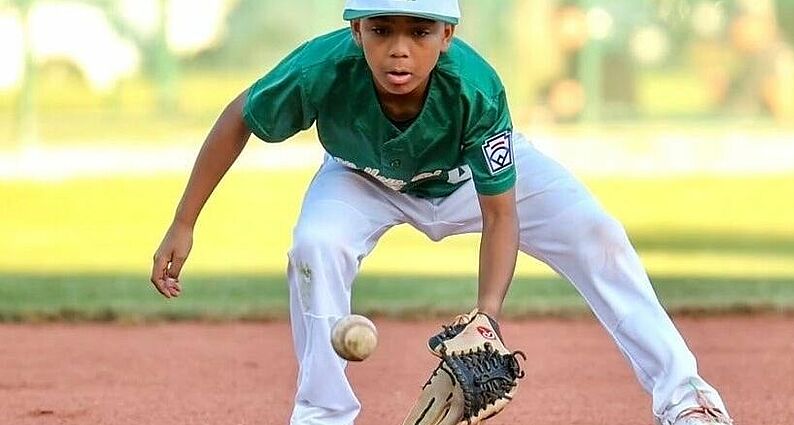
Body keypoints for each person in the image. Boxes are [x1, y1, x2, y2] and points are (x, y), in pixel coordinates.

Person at [150, 1, 735, 424]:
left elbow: (501, 214)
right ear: (355, 32)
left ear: (447, 35)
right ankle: (321, 414)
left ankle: (687, 399)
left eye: (420, 30)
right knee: (314, 245)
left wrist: (487, 315)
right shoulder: (320, 67)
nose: (399, 47)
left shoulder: (475, 87)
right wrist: (184, 220)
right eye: (381, 30)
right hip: (362, 177)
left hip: (465, 178)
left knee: (597, 234)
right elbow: (240, 117)